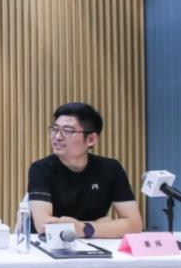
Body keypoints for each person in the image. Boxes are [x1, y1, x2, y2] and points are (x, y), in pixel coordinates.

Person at [27, 102, 142, 239]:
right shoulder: (41, 168)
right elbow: (43, 226)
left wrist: (85, 228)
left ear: (91, 139)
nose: (57, 137)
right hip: (49, 244)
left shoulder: (111, 169)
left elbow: (134, 224)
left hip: (96, 245)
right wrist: (100, 225)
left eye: (67, 131)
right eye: (55, 129)